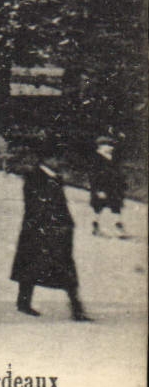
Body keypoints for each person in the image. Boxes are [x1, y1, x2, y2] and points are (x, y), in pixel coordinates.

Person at [12, 147, 91, 321]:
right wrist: (53, 225)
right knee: (34, 267)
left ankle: (76, 309)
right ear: (46, 159)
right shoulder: (35, 177)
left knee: (58, 268)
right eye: (57, 158)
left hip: (54, 230)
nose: (60, 162)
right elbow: (36, 206)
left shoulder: (52, 178)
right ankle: (24, 303)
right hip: (42, 230)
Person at [89, 135, 127, 239]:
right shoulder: (96, 159)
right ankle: (95, 225)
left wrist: (121, 183)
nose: (112, 148)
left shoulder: (112, 158)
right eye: (109, 145)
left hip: (113, 187)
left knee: (116, 206)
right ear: (101, 146)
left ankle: (118, 226)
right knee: (99, 207)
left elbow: (117, 173)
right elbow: (93, 176)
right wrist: (98, 190)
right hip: (101, 187)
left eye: (112, 145)